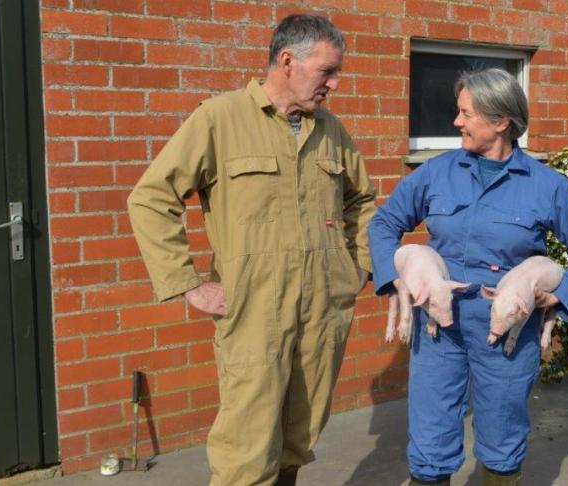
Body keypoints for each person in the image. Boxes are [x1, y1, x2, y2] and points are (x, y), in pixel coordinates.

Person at [127, 14, 376, 486]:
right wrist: (188, 285)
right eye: (327, 71)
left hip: (323, 309)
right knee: (247, 448)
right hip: (256, 312)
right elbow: (150, 198)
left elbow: (360, 200)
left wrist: (358, 265)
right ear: (288, 61)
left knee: (299, 438)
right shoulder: (220, 119)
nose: (335, 83)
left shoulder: (331, 130)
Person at [368, 68, 568, 485]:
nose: (456, 122)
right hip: (438, 329)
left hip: (506, 332)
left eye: (466, 113)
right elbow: (384, 223)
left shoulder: (547, 186)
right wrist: (396, 278)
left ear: (501, 122)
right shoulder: (437, 172)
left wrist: (561, 296)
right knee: (429, 439)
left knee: (502, 439)